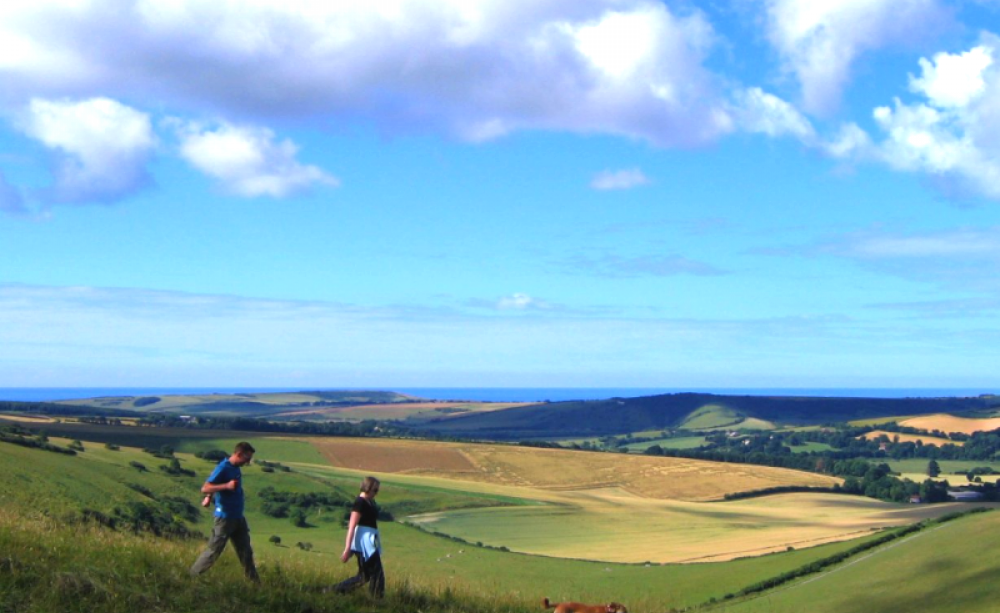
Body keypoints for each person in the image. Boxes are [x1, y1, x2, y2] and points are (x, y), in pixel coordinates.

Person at [189, 441, 259, 582]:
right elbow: (206, 487)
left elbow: (213, 487)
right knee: (214, 550)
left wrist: (209, 497)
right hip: (225, 518)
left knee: (246, 551)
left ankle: (254, 583)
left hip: (238, 517)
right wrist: (226, 486)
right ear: (239, 454)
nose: (247, 462)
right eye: (246, 458)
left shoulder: (235, 468)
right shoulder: (223, 467)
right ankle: (192, 576)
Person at [334, 476, 385, 597]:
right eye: (375, 490)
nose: (376, 493)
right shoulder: (360, 502)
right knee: (376, 574)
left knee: (365, 576)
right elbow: (352, 526)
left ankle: (335, 590)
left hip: (369, 542)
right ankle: (376, 600)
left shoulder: (370, 502)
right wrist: (348, 549)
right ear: (367, 487)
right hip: (363, 543)